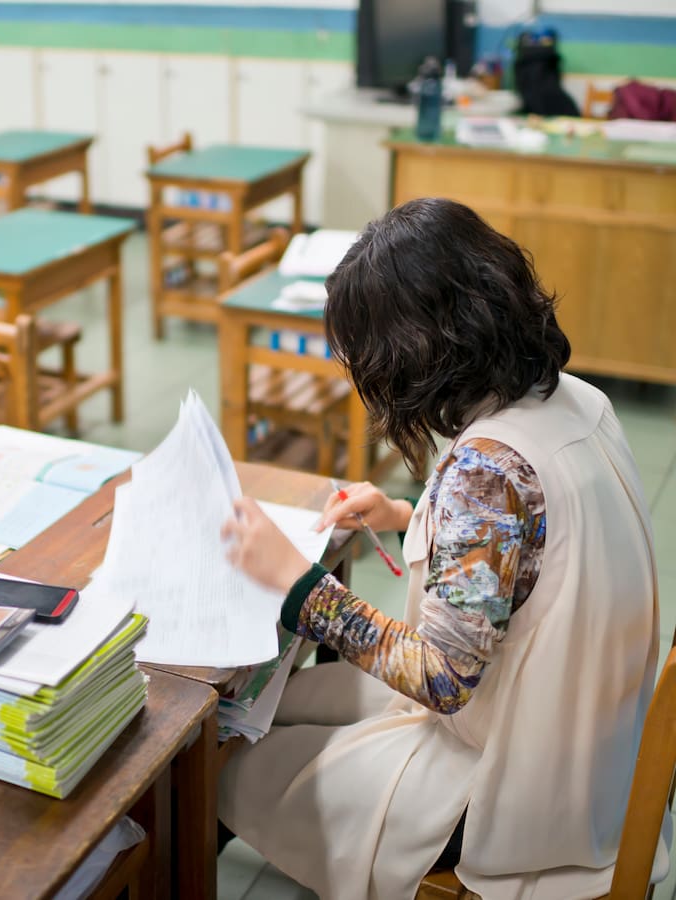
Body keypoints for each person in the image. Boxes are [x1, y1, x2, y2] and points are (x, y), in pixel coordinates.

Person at [218, 197, 666, 899]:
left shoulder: (485, 476)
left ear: (414, 354)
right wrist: (408, 513)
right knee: (297, 697)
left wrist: (301, 589)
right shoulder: (578, 400)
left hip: (515, 781)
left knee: (238, 766)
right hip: (591, 739)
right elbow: (534, 545)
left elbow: (442, 680)